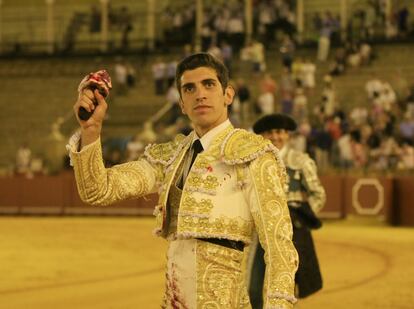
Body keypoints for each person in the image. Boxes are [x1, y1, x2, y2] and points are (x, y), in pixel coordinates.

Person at [67, 53, 298, 308]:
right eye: (189, 88)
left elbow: (279, 247)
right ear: (181, 104)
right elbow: (98, 190)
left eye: (208, 84)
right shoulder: (169, 157)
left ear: (228, 95)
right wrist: (91, 130)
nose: (200, 94)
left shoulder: (253, 154)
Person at [249, 113, 326, 308]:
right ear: (262, 136)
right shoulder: (254, 162)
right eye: (270, 132)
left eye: (280, 132)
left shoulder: (300, 161)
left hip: (291, 234)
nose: (275, 136)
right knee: (254, 287)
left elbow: (318, 194)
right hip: (261, 231)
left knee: (288, 288)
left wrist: (300, 218)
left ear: (288, 135)